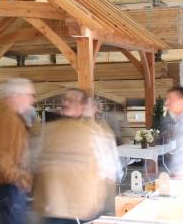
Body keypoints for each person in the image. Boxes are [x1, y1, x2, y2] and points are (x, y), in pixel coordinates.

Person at [34, 88, 121, 224]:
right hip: (51, 207)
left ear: (83, 106)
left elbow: (109, 171)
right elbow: (35, 163)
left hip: (80, 210)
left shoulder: (96, 133)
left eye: (72, 100)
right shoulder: (49, 130)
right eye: (65, 99)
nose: (66, 102)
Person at [0, 78, 35, 224]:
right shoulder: (7, 119)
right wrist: (19, 178)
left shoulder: (8, 116)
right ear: (15, 96)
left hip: (8, 183)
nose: (31, 100)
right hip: (10, 185)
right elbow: (2, 156)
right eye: (29, 95)